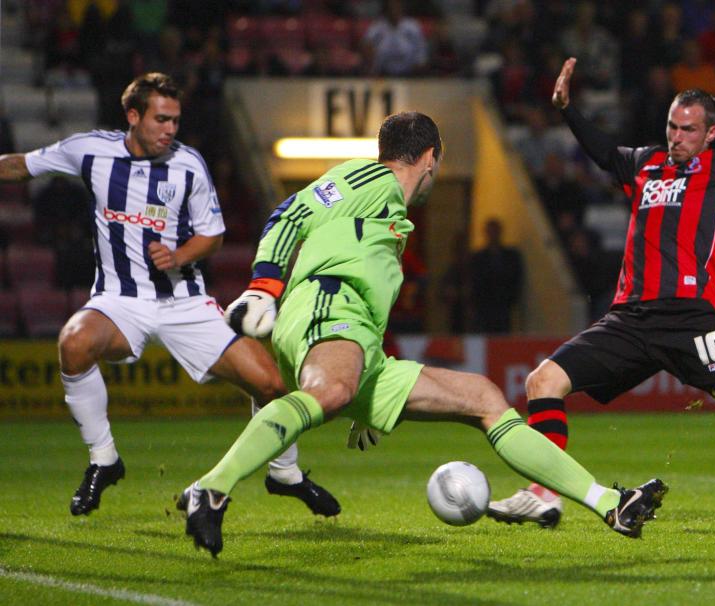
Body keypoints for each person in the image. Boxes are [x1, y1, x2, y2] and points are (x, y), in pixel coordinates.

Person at [176, 111, 666, 557]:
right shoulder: (370, 176)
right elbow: (290, 214)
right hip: (324, 304)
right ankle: (212, 487)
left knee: (485, 396)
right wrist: (263, 288)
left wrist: (362, 379)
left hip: (356, 335)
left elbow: (366, 296)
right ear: (431, 158)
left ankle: (609, 503)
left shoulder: (390, 215)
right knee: (331, 390)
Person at [487, 20, 715, 528]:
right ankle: (544, 492)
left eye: (687, 129)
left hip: (696, 321)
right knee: (542, 381)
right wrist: (567, 109)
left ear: (711, 133)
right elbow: (601, 152)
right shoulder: (643, 166)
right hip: (631, 319)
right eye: (671, 126)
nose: (676, 137)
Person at [0, 73, 338, 519]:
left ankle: (284, 474)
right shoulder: (91, 150)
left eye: (176, 121)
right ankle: (104, 460)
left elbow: (213, 236)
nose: (170, 130)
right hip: (120, 300)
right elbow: (21, 164)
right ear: (133, 116)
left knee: (272, 385)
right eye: (161, 119)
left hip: (185, 302)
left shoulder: (188, 164)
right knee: (74, 343)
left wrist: (179, 255)